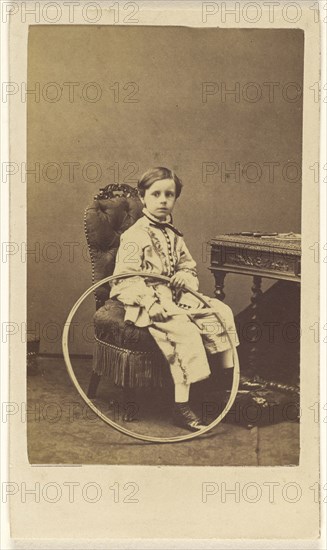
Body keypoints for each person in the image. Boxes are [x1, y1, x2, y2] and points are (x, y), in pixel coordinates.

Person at [110, 167, 239, 431]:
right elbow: (125, 279)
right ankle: (181, 405)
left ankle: (226, 386)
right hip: (148, 301)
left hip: (178, 296)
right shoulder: (134, 235)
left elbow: (187, 266)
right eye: (156, 194)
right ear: (143, 197)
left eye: (169, 194)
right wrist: (150, 303)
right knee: (185, 332)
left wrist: (184, 277)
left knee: (222, 312)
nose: (163, 200)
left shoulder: (173, 234)